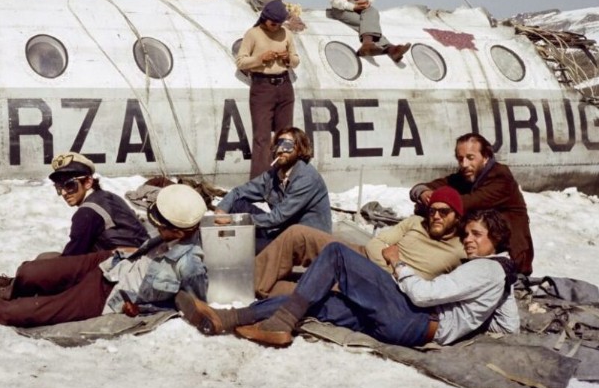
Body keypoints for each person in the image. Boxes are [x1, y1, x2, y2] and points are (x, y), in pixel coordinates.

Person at [175, 209, 519, 349]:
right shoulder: (500, 274)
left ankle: (279, 324)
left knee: (337, 255)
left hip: (413, 316)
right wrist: (476, 319)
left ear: (496, 240)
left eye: (477, 235)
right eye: (468, 234)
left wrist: (398, 264)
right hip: (408, 329)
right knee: (318, 300)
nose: (468, 240)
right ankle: (228, 318)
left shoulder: (484, 269)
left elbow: (425, 295)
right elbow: (509, 326)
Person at [0, 184, 209, 327]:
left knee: (24, 314)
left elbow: (187, 303)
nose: (156, 227)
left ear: (180, 230)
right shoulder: (173, 231)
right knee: (32, 270)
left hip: (108, 293)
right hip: (111, 261)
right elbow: (149, 251)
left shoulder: (191, 263)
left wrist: (142, 309)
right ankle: (13, 289)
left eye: (162, 225)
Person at [254, 186, 467, 298]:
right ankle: (249, 285)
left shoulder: (461, 250)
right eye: (432, 211)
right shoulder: (415, 222)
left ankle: (264, 289)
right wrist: (389, 265)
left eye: (444, 212)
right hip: (364, 255)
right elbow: (376, 243)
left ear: (457, 217)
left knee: (313, 289)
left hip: (382, 285)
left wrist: (394, 266)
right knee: (298, 234)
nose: (436, 216)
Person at [0, 151, 151, 289]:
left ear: (88, 182)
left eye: (70, 185)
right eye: (59, 187)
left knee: (42, 266)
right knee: (45, 257)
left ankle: (12, 287)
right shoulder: (107, 196)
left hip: (120, 271)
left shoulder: (87, 212)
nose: (64, 193)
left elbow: (71, 260)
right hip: (135, 263)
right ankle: (17, 282)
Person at [409, 133, 534, 275]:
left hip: (510, 259)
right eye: (460, 159)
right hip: (480, 251)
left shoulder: (501, 179)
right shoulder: (466, 176)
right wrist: (423, 192)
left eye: (470, 158)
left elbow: (464, 204)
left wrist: (431, 204)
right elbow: (423, 187)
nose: (464, 164)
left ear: (485, 157)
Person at [215, 127, 331, 254]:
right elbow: (239, 192)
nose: (280, 150)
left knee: (245, 246)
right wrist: (222, 210)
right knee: (237, 205)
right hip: (283, 230)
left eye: (287, 145)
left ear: (300, 149)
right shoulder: (274, 174)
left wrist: (237, 221)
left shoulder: (306, 178)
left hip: (306, 243)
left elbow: (278, 217)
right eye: (278, 144)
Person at [236, 0, 300, 178]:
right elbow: (240, 61)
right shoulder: (253, 34)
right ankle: (260, 181)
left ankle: (283, 178)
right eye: (273, 23)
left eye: (279, 24)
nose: (276, 27)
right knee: (262, 138)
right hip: (262, 86)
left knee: (285, 136)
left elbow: (296, 60)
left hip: (284, 85)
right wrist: (260, 59)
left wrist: (288, 59)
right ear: (265, 19)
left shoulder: (286, 33)